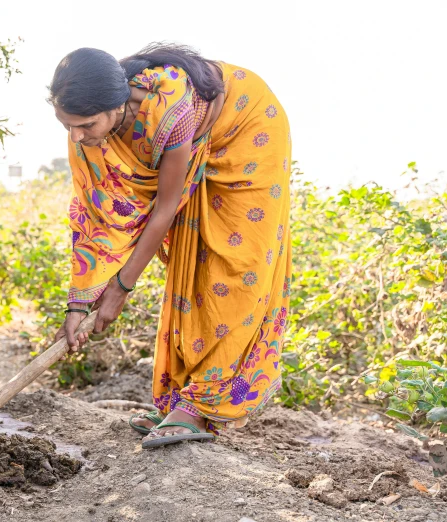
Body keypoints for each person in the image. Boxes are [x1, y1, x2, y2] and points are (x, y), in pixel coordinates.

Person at [49, 43, 292, 449]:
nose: (76, 136)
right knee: (191, 266)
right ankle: (180, 400)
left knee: (232, 266)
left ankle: (198, 407)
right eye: (66, 125)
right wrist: (78, 304)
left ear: (118, 105)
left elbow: (164, 209)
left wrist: (119, 290)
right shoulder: (89, 131)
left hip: (248, 129)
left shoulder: (170, 111)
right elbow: (95, 214)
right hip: (201, 141)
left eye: (85, 125)